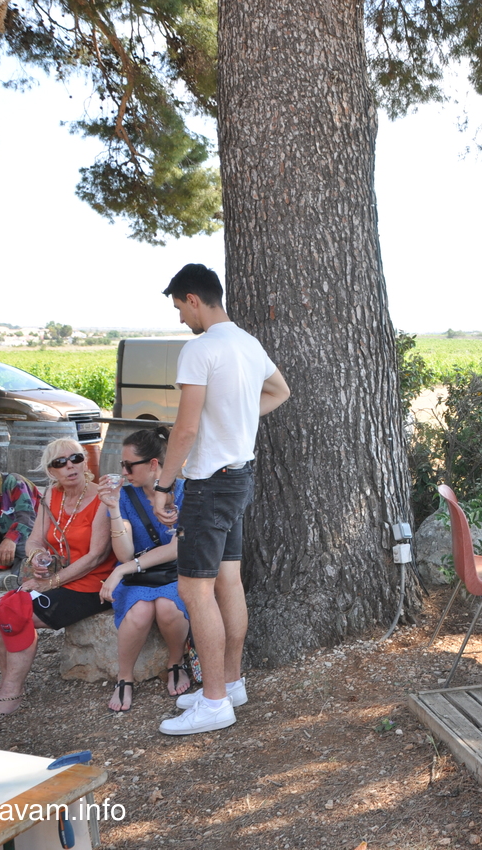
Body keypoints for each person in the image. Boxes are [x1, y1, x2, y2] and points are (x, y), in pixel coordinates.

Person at [152, 263, 290, 736]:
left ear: (193, 299)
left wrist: (164, 485)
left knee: (195, 590)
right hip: (239, 477)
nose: (180, 318)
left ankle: (213, 703)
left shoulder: (201, 348)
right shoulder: (248, 343)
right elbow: (281, 391)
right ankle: (230, 684)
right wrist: (239, 416)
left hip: (210, 484)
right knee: (228, 581)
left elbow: (185, 429)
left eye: (179, 308)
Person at [0, 438, 116, 726]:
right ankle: (6, 682)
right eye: (60, 462)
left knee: (15, 613)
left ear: (85, 461)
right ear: (51, 471)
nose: (70, 466)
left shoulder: (100, 498)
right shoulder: (50, 495)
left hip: (90, 584)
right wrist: (37, 557)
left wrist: (51, 582)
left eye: (75, 458)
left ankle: (12, 694)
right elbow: (35, 540)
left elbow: (96, 556)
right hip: (59, 578)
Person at [96, 427, 190, 712]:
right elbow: (124, 553)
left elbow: (177, 548)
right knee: (139, 612)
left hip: (175, 571)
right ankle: (124, 677)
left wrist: (120, 571)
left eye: (129, 465)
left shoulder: (184, 492)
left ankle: (176, 662)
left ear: (152, 464)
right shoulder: (125, 496)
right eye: (121, 465)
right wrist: (113, 509)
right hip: (139, 576)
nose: (123, 472)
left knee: (167, 607)